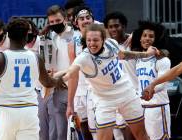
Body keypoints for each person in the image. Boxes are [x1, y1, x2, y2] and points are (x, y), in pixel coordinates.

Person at [63, 23, 157, 140]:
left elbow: (123, 55)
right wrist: (57, 79)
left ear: (103, 40)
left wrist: (146, 54)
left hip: (126, 93)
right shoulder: (83, 58)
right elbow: (70, 72)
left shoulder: (111, 44)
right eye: (89, 40)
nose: (92, 44)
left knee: (141, 136)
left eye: (96, 40)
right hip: (104, 101)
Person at [0, 18, 65, 140]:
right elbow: (48, 83)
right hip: (29, 111)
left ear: (7, 35)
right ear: (26, 36)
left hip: (6, 112)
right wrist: (59, 80)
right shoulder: (36, 57)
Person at [132, 21, 171, 140]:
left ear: (156, 39)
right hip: (142, 107)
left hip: (157, 106)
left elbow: (162, 84)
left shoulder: (162, 59)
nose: (147, 39)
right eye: (144, 35)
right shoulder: (138, 59)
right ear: (140, 38)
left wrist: (149, 91)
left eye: (151, 36)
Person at [103, 11, 136, 140]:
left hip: (133, 95)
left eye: (117, 26)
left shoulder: (135, 42)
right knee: (118, 136)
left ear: (124, 26)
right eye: (110, 27)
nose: (113, 29)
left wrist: (135, 34)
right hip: (114, 97)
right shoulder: (105, 46)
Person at [46, 5, 74, 140]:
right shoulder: (53, 37)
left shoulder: (75, 34)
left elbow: (76, 64)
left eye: (57, 21)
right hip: (58, 88)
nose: (54, 24)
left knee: (76, 131)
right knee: (59, 133)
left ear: (65, 19)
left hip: (75, 88)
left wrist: (60, 76)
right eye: (51, 22)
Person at [67, 5, 94, 140]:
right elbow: (73, 74)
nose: (85, 21)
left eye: (88, 18)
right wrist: (70, 102)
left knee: (101, 129)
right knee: (83, 128)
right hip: (80, 90)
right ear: (75, 23)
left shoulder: (101, 35)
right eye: (81, 19)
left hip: (96, 89)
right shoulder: (73, 41)